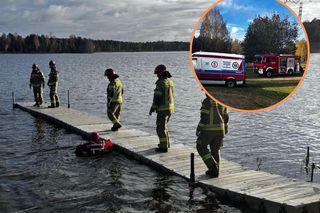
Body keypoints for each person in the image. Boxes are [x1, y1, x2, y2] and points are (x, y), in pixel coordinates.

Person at [196, 95, 229, 177]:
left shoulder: (207, 101)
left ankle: (212, 166)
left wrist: (199, 128)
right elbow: (226, 117)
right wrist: (225, 128)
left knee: (200, 146)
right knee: (215, 149)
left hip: (209, 130)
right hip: (220, 130)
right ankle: (215, 170)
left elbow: (204, 117)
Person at [149, 64, 174, 153]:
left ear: (160, 74)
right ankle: (166, 143)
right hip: (170, 108)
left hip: (163, 109)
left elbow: (157, 97)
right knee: (164, 127)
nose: (157, 75)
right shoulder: (169, 82)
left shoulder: (160, 83)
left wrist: (152, 108)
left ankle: (163, 147)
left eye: (157, 74)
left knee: (160, 128)